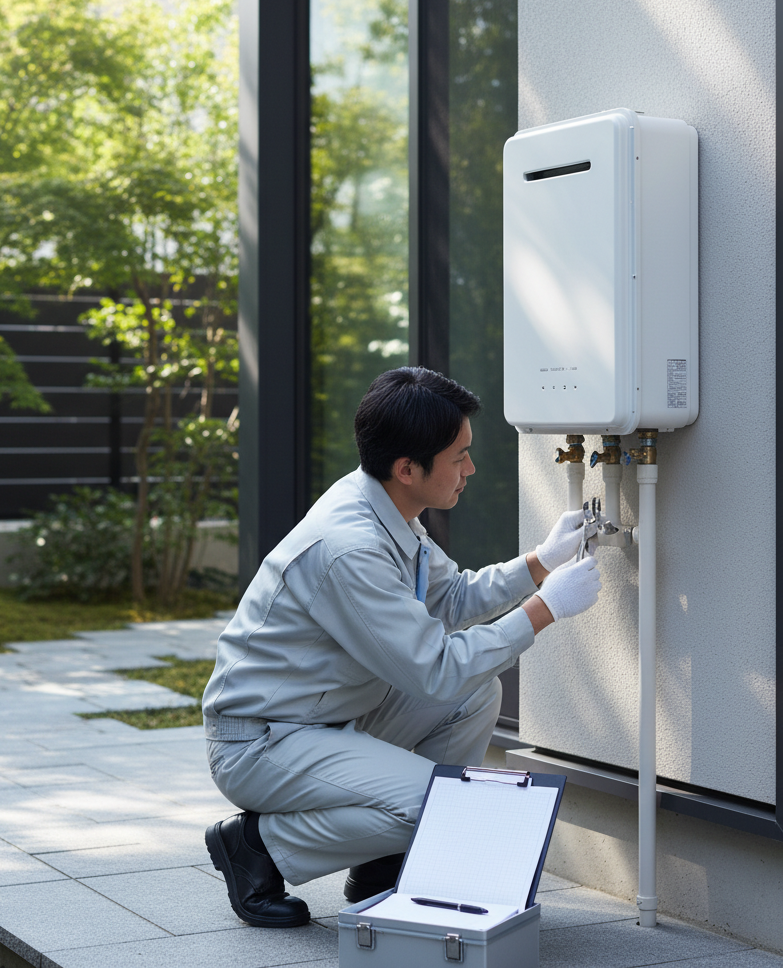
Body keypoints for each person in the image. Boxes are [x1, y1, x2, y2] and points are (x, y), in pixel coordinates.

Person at [202, 367, 601, 928]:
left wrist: (540, 562)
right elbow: (433, 671)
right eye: (459, 457)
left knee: (475, 693)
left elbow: (453, 597)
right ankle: (256, 845)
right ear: (407, 468)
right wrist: (546, 609)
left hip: (327, 718)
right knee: (439, 805)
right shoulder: (351, 549)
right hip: (262, 739)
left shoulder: (387, 507)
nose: (471, 469)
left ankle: (383, 860)